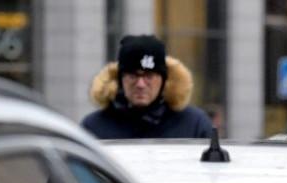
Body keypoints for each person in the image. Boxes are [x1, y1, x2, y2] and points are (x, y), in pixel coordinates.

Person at [81, 35, 213, 140]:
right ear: (120, 79)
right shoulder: (93, 127)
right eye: (133, 76)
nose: (140, 84)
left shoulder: (194, 125)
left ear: (164, 80)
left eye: (149, 76)